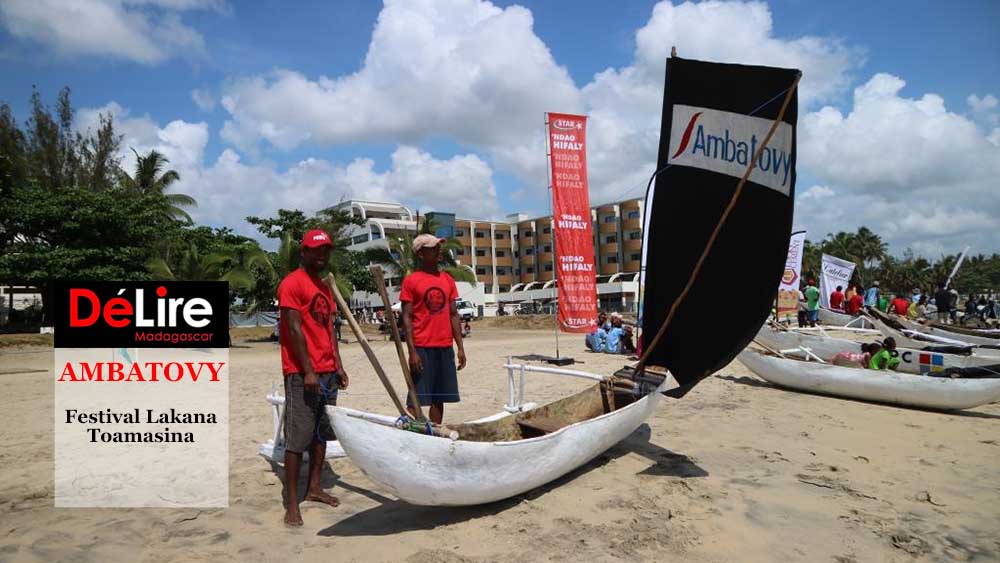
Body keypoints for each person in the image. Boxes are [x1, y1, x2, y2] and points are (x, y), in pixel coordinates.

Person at [277, 229, 348, 527]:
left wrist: (339, 364)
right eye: (316, 250)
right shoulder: (292, 284)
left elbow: (329, 329)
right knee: (297, 437)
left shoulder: (324, 287)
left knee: (321, 434)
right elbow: (294, 330)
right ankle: (292, 504)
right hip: (302, 372)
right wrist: (307, 370)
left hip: (328, 370)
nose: (322, 255)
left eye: (326, 251)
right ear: (303, 252)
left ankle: (315, 487)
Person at [401, 233, 467, 424]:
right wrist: (412, 352)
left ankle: (434, 433)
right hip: (422, 347)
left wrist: (460, 347)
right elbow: (407, 317)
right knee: (416, 399)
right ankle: (417, 430)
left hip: (444, 347)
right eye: (433, 248)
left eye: (439, 246)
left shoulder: (447, 279)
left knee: (439, 399)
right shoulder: (412, 281)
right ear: (421, 253)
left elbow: (453, 314)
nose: (439, 251)